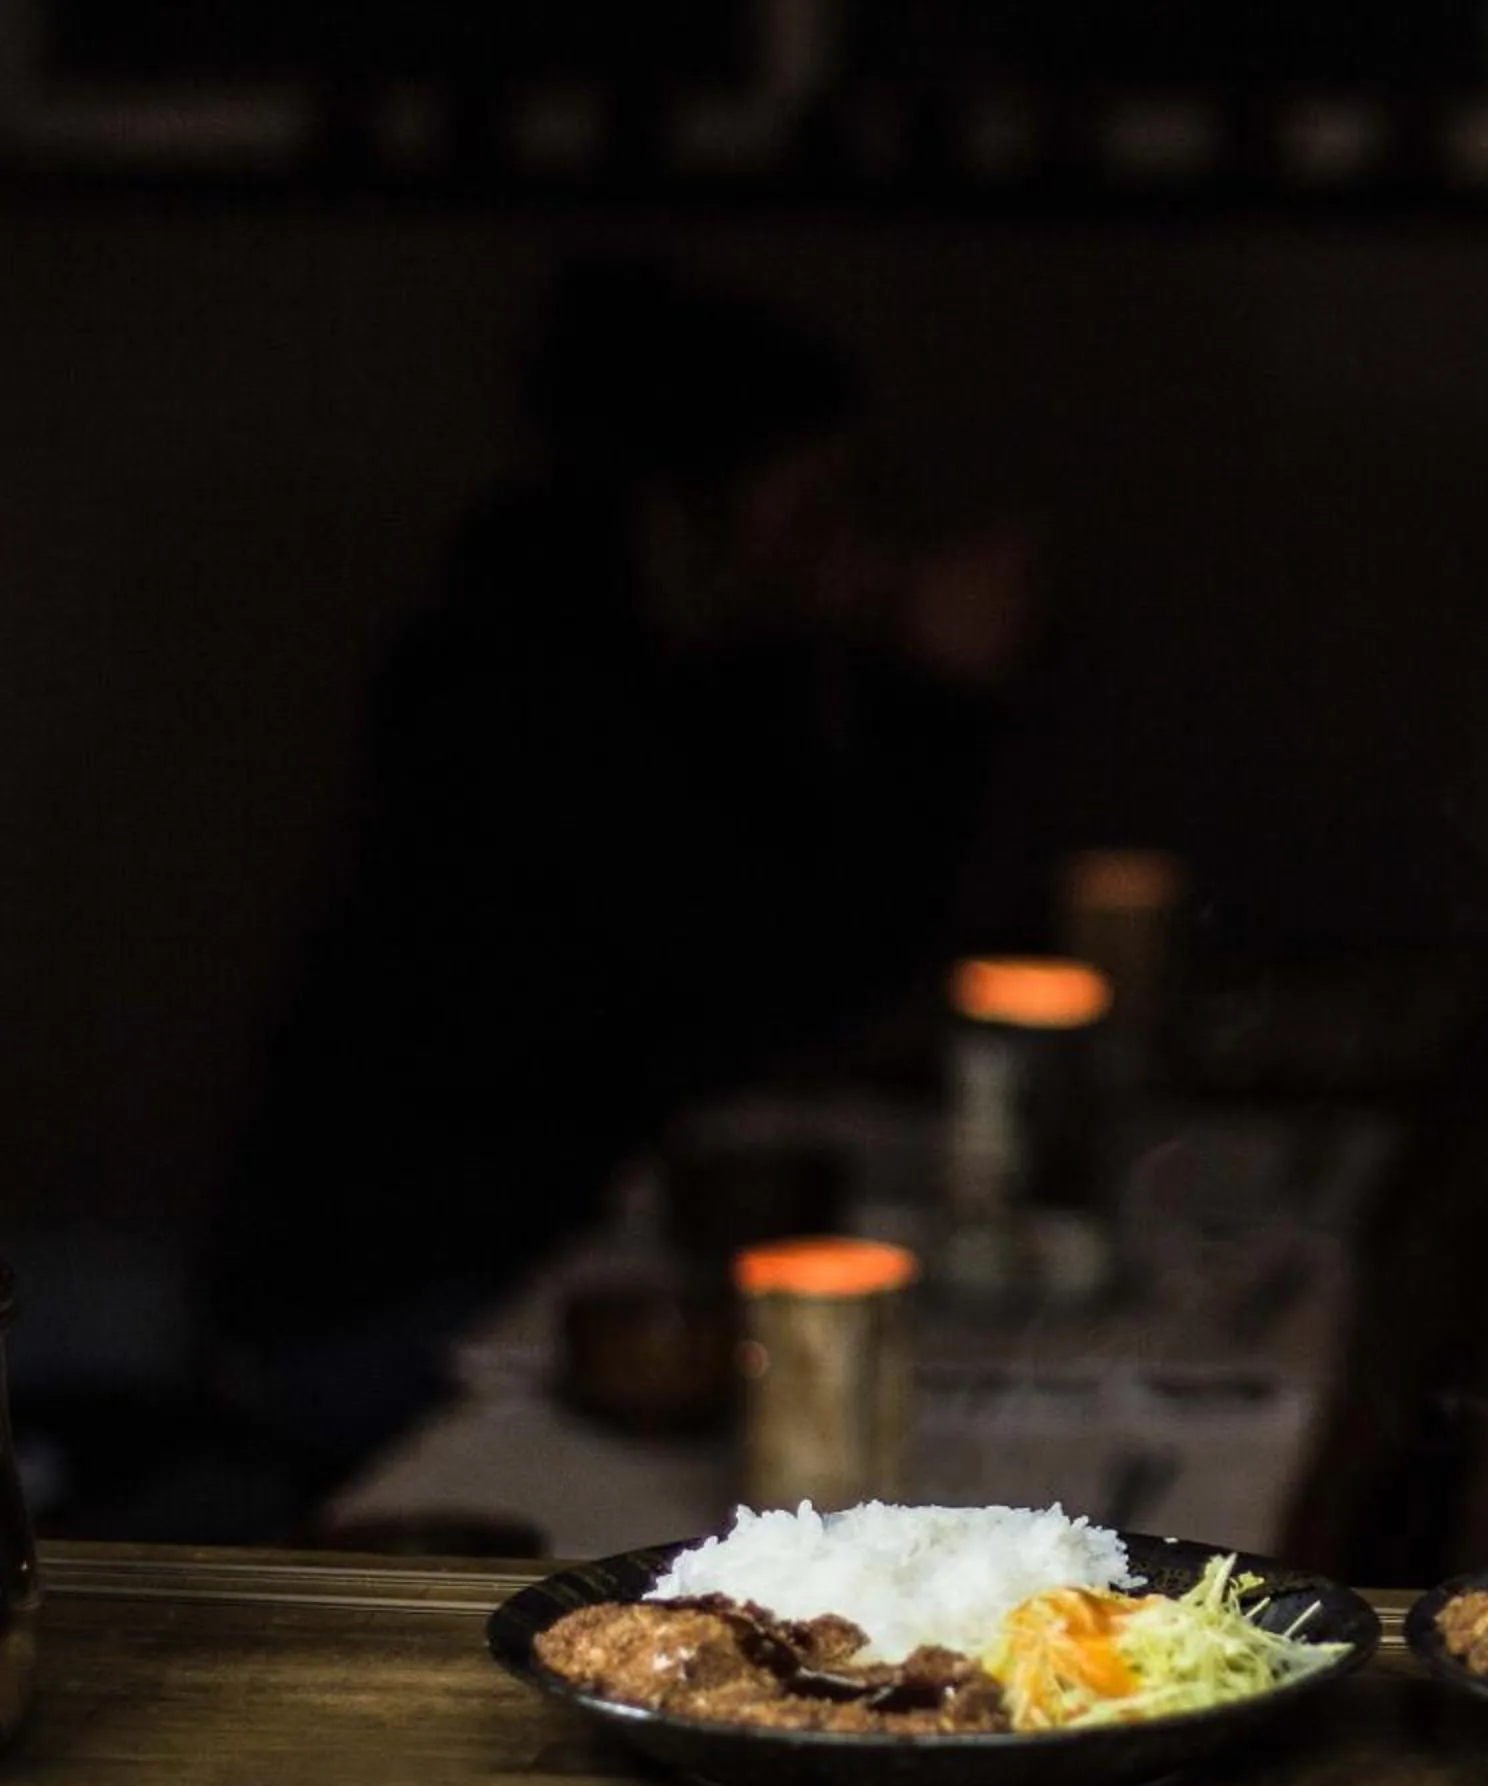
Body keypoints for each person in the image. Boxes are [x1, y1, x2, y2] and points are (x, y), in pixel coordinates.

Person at [180, 261, 1032, 1528]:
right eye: (806, 509)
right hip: (389, 1295)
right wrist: (930, 697)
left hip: (518, 1249)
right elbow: (797, 972)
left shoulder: (673, 665)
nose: (839, 546)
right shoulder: (530, 697)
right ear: (683, 510)